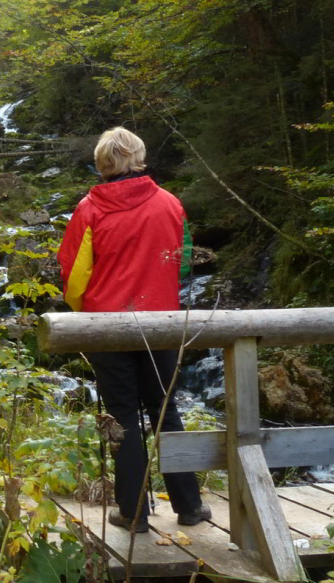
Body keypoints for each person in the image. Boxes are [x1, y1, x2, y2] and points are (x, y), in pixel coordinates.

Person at [58, 126, 210, 533]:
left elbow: (73, 276)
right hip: (161, 324)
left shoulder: (89, 209)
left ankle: (133, 513)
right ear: (139, 158)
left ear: (101, 163)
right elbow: (183, 263)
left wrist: (85, 312)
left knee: (122, 417)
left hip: (107, 328)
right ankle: (190, 507)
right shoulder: (170, 204)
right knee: (166, 410)